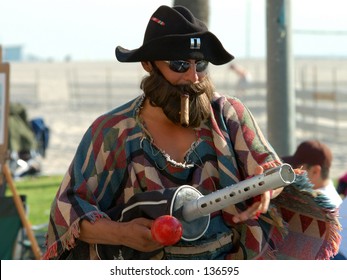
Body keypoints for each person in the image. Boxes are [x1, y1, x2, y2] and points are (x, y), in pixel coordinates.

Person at [43, 5, 341, 260]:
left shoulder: (228, 116)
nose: (193, 76)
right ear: (148, 64)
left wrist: (267, 188)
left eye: (201, 64)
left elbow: (270, 170)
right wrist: (123, 234)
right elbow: (69, 210)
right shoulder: (113, 132)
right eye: (179, 64)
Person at [282, 140, 342, 208]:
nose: (293, 171)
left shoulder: (322, 206)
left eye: (297, 168)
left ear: (315, 171)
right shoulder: (330, 195)